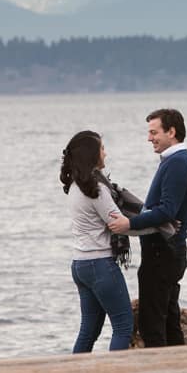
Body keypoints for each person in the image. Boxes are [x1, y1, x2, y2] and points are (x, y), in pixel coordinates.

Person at [108, 108, 187, 348]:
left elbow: (167, 210)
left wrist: (130, 223)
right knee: (169, 320)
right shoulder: (175, 161)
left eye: (154, 132)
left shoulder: (178, 163)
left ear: (172, 131)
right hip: (168, 251)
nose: (149, 138)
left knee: (153, 324)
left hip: (163, 252)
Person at [59, 130, 134, 352]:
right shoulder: (97, 189)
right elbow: (118, 223)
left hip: (80, 264)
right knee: (123, 326)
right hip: (100, 264)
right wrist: (156, 224)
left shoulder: (74, 187)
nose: (105, 153)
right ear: (92, 154)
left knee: (88, 330)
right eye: (102, 148)